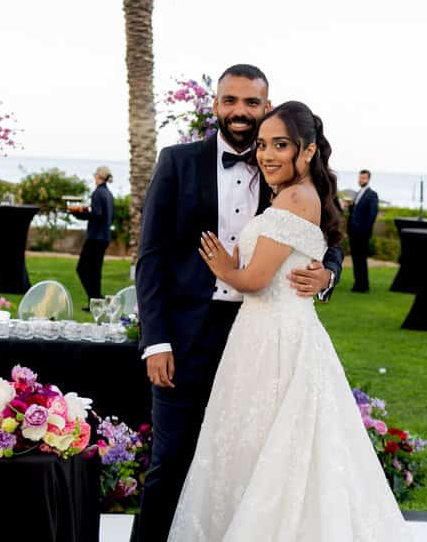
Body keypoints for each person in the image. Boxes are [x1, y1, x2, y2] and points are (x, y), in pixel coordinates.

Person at [167, 101, 410, 541]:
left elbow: (256, 280)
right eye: (263, 145)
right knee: (264, 443)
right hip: (262, 331)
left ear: (308, 150)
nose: (267, 155)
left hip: (274, 336)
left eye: (280, 145)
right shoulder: (284, 192)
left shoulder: (295, 196)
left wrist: (226, 269)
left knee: (273, 444)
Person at [135, 65, 344, 542]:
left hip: (259, 343)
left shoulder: (284, 168)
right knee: (172, 460)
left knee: (246, 464)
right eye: (230, 101)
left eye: (251, 103)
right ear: (215, 106)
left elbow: (328, 234)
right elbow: (150, 258)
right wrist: (156, 342)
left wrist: (328, 273)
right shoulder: (176, 161)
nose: (240, 112)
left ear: (266, 108)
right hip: (185, 338)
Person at [74, 165, 115, 308]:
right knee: (95, 270)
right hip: (104, 237)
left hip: (95, 238)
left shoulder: (98, 193)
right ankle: (96, 302)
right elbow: (108, 215)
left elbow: (96, 214)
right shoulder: (108, 194)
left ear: (99, 177)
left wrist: (79, 214)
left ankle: (95, 298)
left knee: (82, 269)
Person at [347, 169, 379, 292]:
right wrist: (350, 207)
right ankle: (357, 283)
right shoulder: (358, 193)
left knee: (361, 259)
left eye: (364, 178)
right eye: (360, 178)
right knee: (356, 259)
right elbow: (355, 212)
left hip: (362, 234)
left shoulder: (372, 194)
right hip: (353, 232)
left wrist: (365, 232)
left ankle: (363, 285)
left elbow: (372, 215)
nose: (361, 180)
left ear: (368, 179)